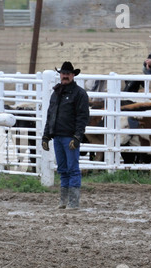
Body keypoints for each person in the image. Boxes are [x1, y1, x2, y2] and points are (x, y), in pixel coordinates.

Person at [42, 61, 89, 209]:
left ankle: (72, 202)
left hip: (69, 137)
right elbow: (50, 115)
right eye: (63, 74)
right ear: (60, 75)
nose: (65, 76)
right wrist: (46, 135)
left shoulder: (79, 94)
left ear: (73, 75)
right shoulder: (56, 93)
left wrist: (77, 136)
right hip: (58, 136)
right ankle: (64, 201)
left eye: (68, 74)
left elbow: (82, 117)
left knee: (72, 169)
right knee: (63, 169)